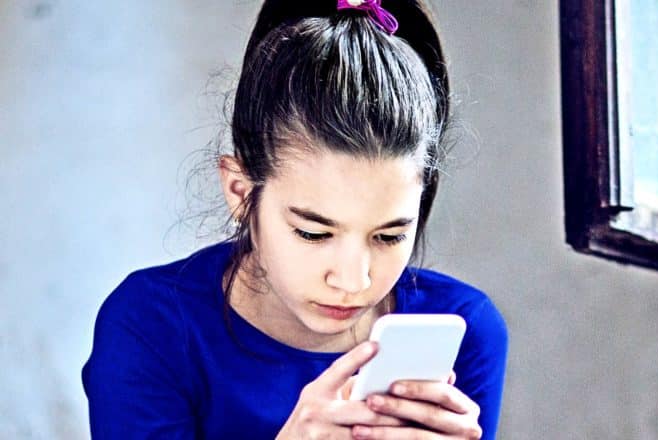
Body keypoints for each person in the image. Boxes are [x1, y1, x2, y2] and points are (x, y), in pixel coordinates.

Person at [82, 0, 508, 438]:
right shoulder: (151, 326)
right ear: (240, 192)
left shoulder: (467, 328)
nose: (352, 280)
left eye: (389, 236)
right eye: (313, 232)